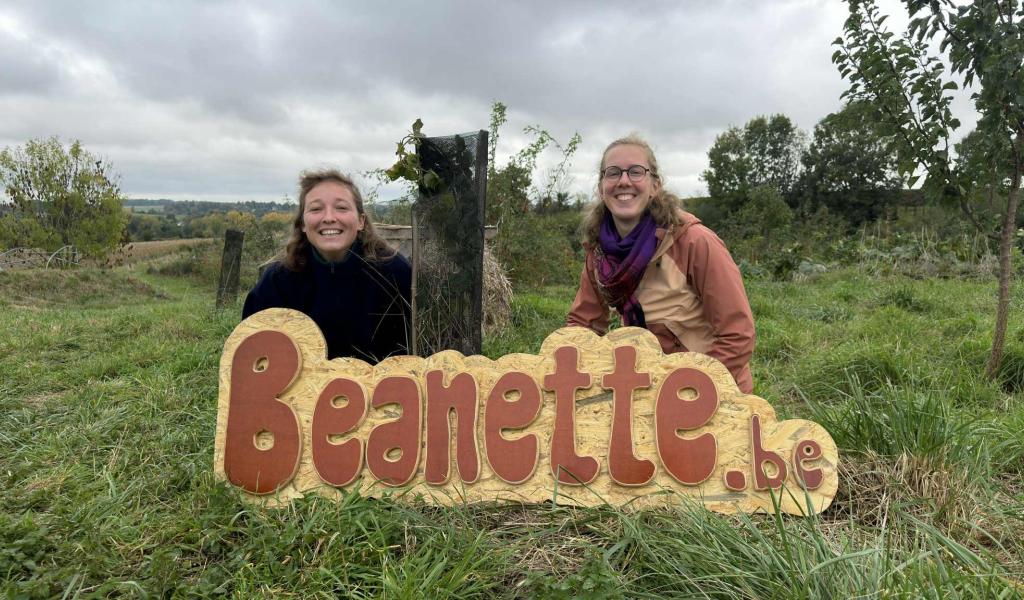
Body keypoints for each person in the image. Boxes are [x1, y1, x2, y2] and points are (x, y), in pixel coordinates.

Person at [566, 135, 755, 393]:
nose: (623, 181)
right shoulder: (600, 252)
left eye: (635, 172)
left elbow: (737, 334)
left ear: (655, 185)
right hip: (644, 385)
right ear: (601, 187)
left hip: (713, 387)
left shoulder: (694, 241)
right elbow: (583, 326)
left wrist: (692, 391)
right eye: (613, 173)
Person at [243, 169, 411, 363]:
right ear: (303, 224)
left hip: (381, 389)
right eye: (316, 209)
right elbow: (252, 352)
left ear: (361, 221)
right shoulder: (277, 281)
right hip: (302, 391)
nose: (329, 217)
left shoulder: (395, 273)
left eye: (341, 208)